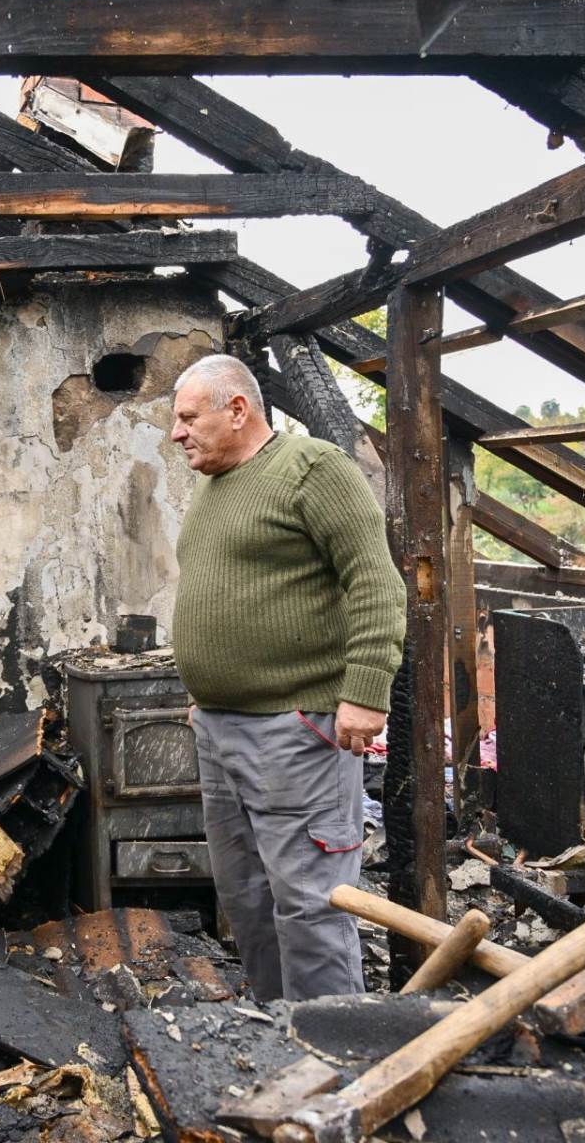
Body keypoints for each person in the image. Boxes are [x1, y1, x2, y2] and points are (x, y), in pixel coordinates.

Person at [168, 353, 405, 1000]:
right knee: (245, 897)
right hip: (220, 729)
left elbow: (375, 583)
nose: (177, 432)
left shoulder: (311, 469)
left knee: (310, 903)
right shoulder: (214, 489)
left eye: (188, 417)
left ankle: (333, 1039)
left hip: (297, 729)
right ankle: (278, 1032)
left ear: (236, 409)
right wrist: (206, 694)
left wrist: (365, 693)